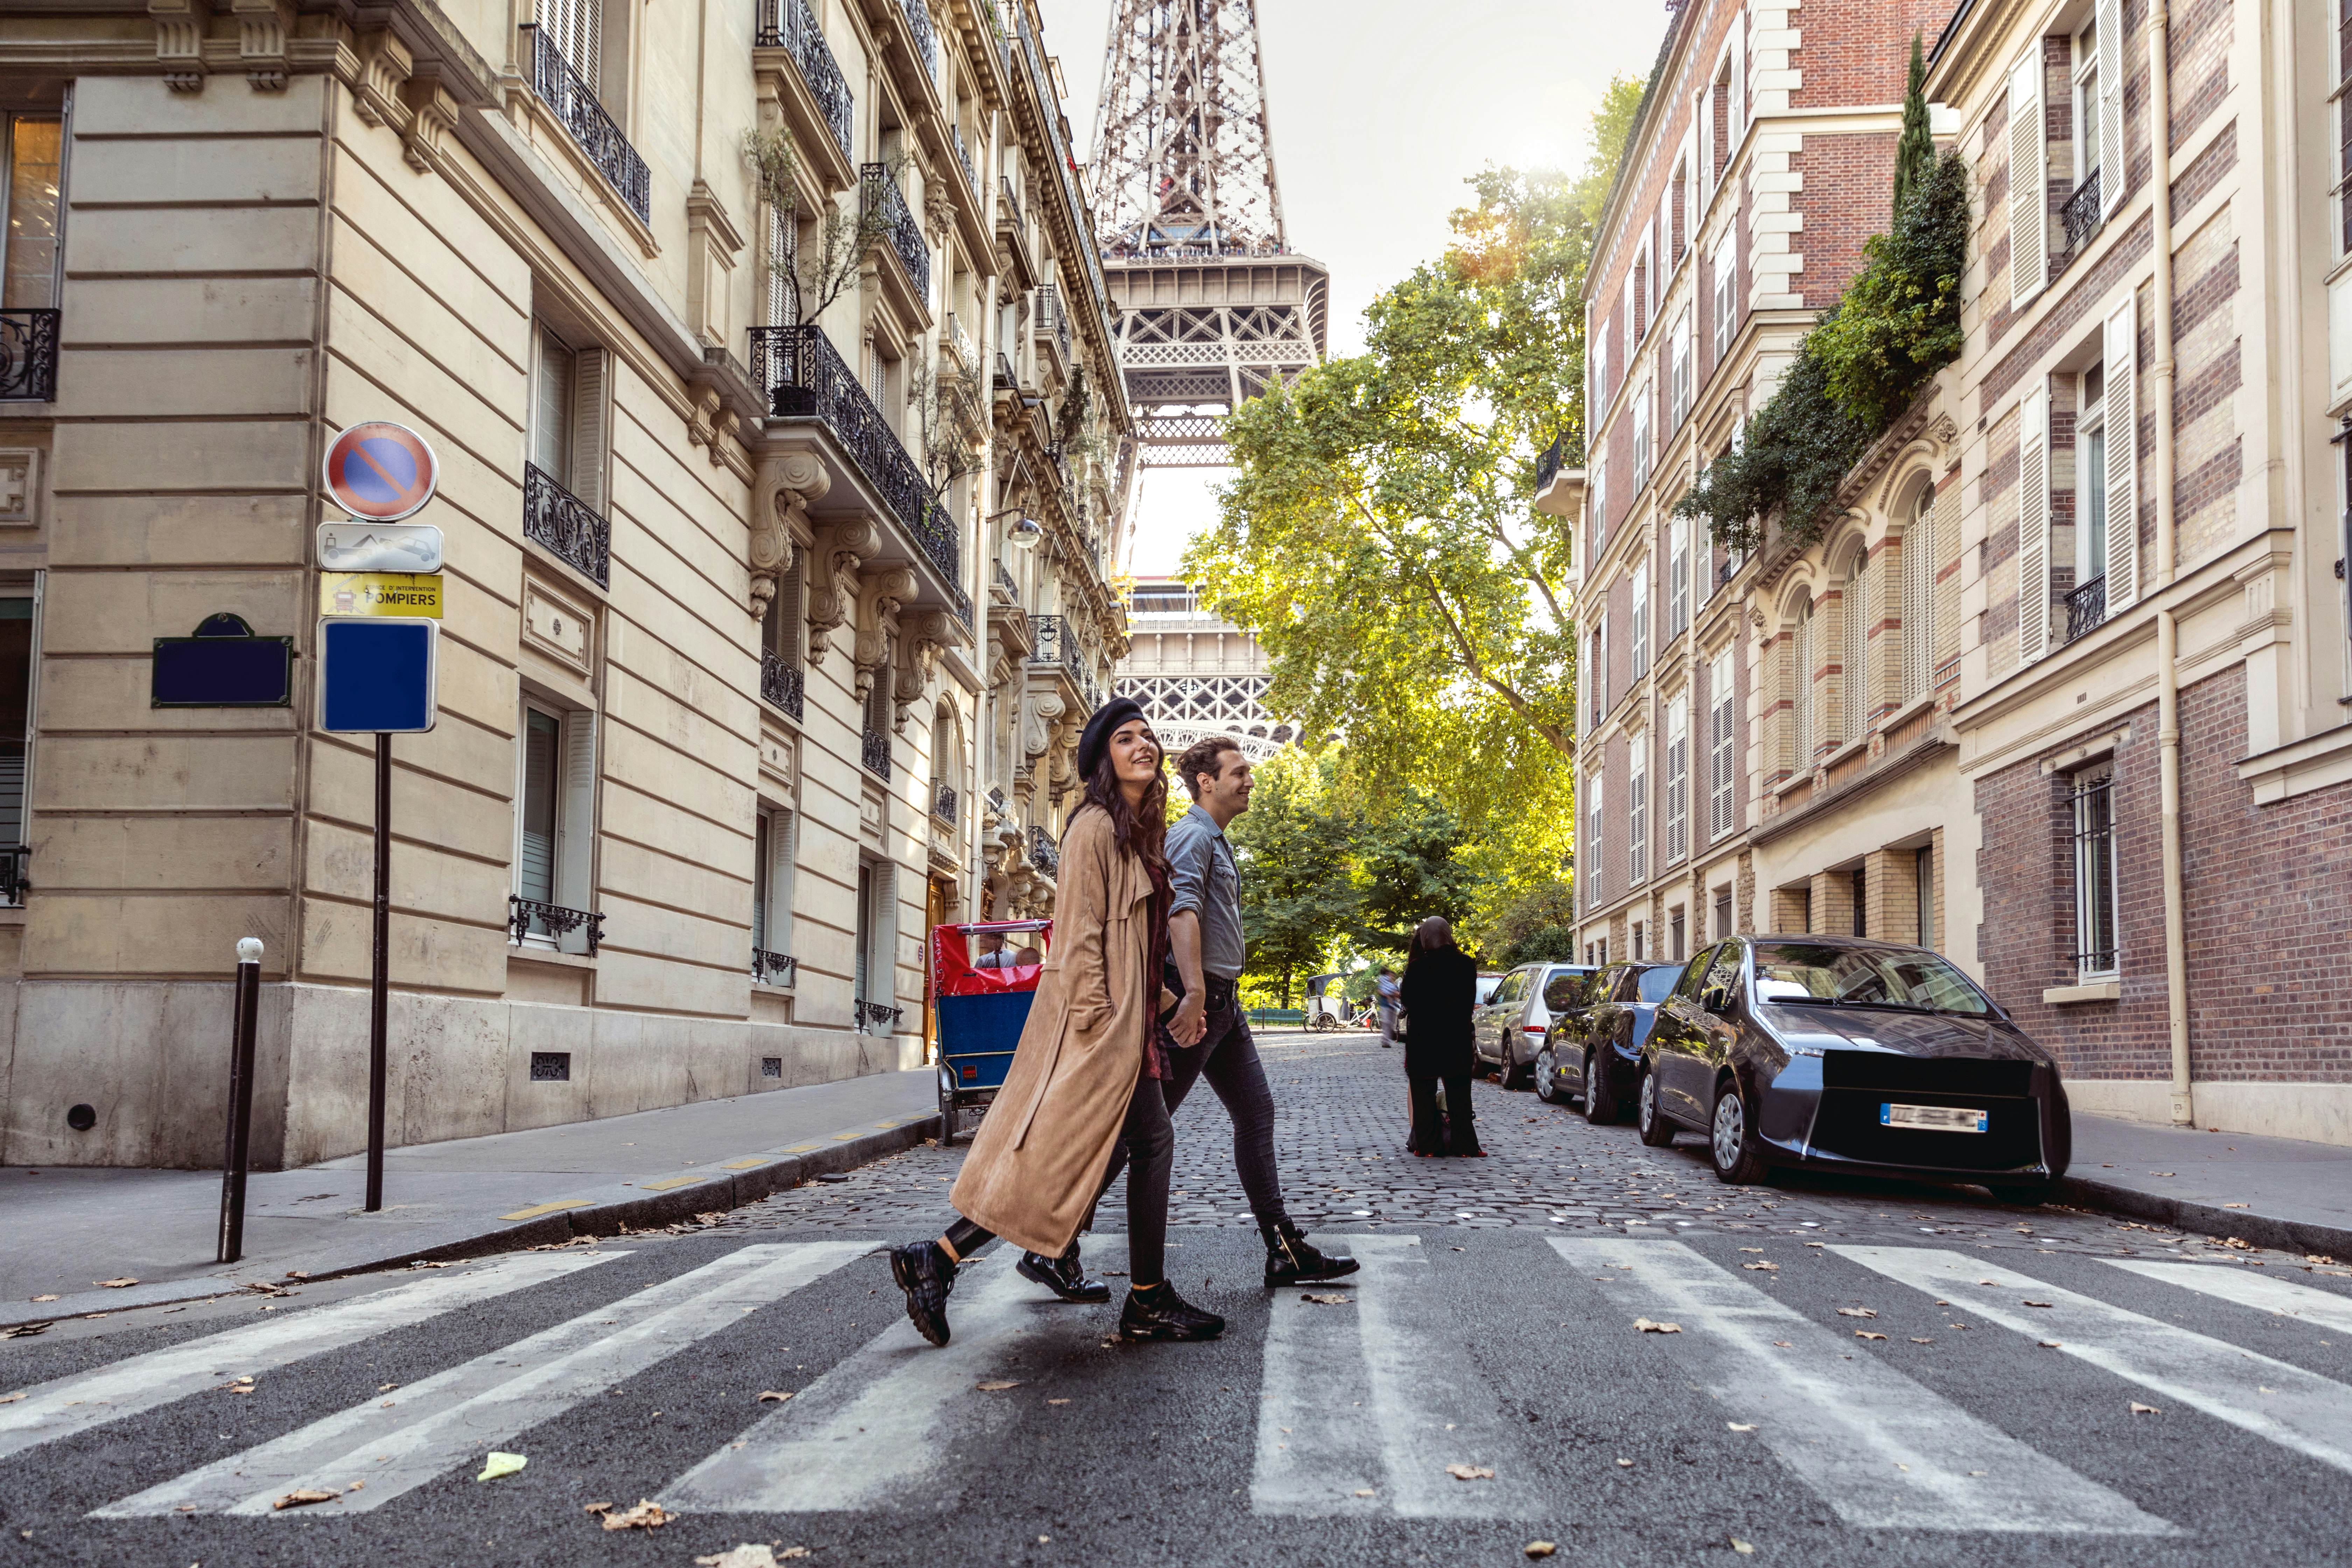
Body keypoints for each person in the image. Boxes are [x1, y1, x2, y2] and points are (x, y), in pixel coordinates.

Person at [888, 699, 1224, 1346]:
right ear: (1103, 759)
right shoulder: (1094, 828)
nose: (1143, 744)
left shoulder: (1133, 832)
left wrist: (1166, 1006)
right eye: (1125, 738)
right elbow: (1078, 940)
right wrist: (1104, 1025)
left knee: (1079, 1155)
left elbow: (1132, 946)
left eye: (1148, 735)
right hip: (1097, 1029)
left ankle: (941, 1257)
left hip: (1125, 1024)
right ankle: (1145, 1299)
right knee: (1130, 1146)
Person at [1081, 735, 1358, 1290]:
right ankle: (1058, 1241)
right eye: (1240, 772)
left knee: (1256, 1115)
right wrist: (1193, 996)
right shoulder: (1191, 836)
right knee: (1145, 1131)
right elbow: (1181, 912)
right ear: (1206, 781)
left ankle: (1284, 1248)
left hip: (1223, 1006)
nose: (1250, 780)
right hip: (1200, 1005)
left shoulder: (1215, 840)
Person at [1399, 916, 1484, 1157]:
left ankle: (1428, 1147)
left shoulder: (1417, 967)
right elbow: (1469, 1000)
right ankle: (1465, 1146)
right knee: (1460, 1095)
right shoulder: (1466, 965)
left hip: (1424, 1041)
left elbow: (1408, 1001)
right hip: (1455, 1039)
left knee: (1424, 1094)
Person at [1374, 967, 1401, 1047]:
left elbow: (1398, 994)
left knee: (1391, 1024)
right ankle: (1385, 1042)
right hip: (1385, 1006)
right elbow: (1380, 991)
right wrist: (1389, 995)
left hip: (1392, 1007)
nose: (1392, 977)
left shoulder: (1394, 985)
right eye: (1391, 975)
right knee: (1386, 1023)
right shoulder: (1384, 984)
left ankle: (1387, 1041)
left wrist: (1393, 995)